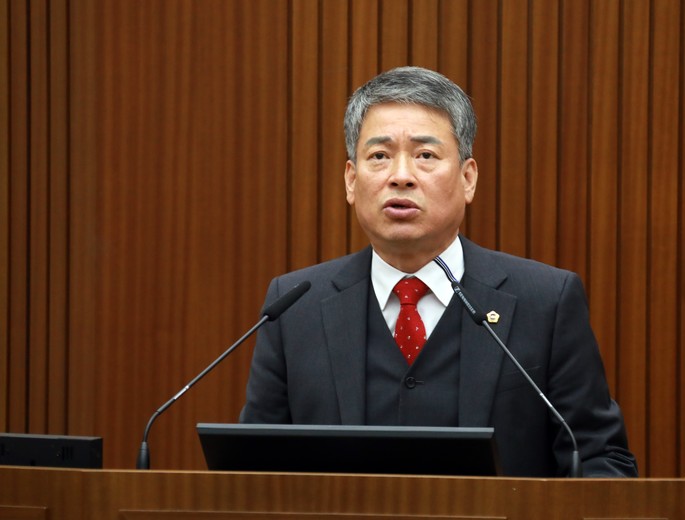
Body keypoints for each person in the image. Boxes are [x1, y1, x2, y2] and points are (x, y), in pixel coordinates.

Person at [239, 66, 638, 477]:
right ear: (351, 181)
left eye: (425, 156)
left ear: (468, 179)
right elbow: (251, 470)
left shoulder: (546, 301)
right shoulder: (294, 307)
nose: (401, 176)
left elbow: (599, 459)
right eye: (379, 156)